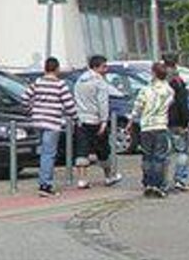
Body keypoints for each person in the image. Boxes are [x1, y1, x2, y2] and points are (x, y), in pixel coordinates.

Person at [23, 57, 77, 197]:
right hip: (52, 122)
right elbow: (69, 105)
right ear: (57, 69)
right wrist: (75, 117)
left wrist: (31, 110)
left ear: (45, 68)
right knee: (49, 154)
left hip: (37, 121)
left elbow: (25, 98)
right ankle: (45, 185)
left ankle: (44, 181)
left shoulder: (38, 82)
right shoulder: (60, 84)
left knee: (43, 152)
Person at [72, 55, 123, 189]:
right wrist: (104, 121)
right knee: (103, 150)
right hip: (95, 120)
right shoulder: (99, 82)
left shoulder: (80, 80)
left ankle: (82, 179)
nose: (106, 69)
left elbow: (76, 99)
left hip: (82, 119)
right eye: (104, 66)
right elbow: (103, 103)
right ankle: (109, 176)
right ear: (96, 67)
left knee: (82, 150)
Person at [129, 61, 175, 198]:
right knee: (159, 157)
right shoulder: (169, 91)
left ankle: (148, 183)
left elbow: (137, 107)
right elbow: (169, 105)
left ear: (154, 74)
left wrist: (131, 120)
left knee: (147, 156)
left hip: (146, 127)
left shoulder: (145, 90)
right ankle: (158, 185)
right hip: (160, 125)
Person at [162, 54, 189, 192]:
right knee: (182, 151)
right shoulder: (178, 82)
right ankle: (180, 179)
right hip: (177, 122)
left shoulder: (159, 83)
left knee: (165, 153)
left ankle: (164, 181)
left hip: (161, 122)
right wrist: (185, 123)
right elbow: (182, 105)